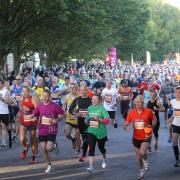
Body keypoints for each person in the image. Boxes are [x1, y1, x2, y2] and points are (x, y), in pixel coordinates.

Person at [123, 95, 156, 179]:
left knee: (142, 152)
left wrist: (153, 123)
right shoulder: (131, 113)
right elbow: (125, 124)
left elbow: (154, 120)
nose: (138, 103)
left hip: (146, 136)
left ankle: (145, 161)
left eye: (140, 102)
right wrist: (126, 127)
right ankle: (141, 171)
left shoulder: (148, 111)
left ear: (143, 103)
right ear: (134, 103)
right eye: (136, 102)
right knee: (138, 157)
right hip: (136, 137)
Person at [32, 89, 65, 173]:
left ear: (50, 97)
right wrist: (31, 116)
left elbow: (63, 114)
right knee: (44, 149)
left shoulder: (55, 105)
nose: (45, 98)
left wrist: (57, 120)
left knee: (49, 148)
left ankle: (53, 145)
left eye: (47, 96)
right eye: (43, 96)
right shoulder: (40, 105)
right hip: (42, 129)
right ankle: (49, 166)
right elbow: (34, 114)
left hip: (51, 129)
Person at [85, 94, 109, 172]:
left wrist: (99, 119)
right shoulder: (89, 108)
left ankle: (104, 158)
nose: (94, 100)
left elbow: (107, 120)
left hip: (101, 132)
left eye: (96, 99)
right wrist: (86, 121)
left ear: (99, 100)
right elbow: (87, 118)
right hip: (91, 131)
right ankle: (91, 167)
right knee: (91, 148)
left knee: (101, 148)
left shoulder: (102, 109)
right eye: (93, 99)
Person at [18, 86, 40, 164]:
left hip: (32, 121)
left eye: (26, 91)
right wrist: (20, 113)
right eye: (23, 91)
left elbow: (37, 111)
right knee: (22, 139)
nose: (24, 93)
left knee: (32, 140)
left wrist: (30, 111)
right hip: (24, 121)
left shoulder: (33, 99)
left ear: (29, 92)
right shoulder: (21, 99)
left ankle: (34, 156)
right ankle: (25, 148)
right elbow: (21, 109)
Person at [69, 85, 91, 162]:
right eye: (81, 90)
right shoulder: (77, 100)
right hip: (80, 122)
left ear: (87, 90)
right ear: (79, 91)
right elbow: (70, 110)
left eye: (84, 90)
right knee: (84, 138)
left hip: (89, 122)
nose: (83, 92)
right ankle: (85, 152)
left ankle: (83, 155)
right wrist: (76, 114)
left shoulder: (90, 100)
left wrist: (89, 114)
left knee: (86, 138)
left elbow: (96, 109)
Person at [63, 83, 81, 156]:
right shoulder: (67, 97)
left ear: (77, 89)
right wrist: (63, 112)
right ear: (69, 89)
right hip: (69, 118)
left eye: (74, 88)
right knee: (67, 134)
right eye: (71, 88)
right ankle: (72, 139)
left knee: (78, 136)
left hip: (78, 119)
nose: (73, 89)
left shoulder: (79, 97)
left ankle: (78, 150)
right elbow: (63, 106)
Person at [168, 86, 180, 167]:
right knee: (174, 142)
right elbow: (175, 112)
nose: (178, 94)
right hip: (175, 124)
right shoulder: (172, 101)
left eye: (179, 92)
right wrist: (170, 118)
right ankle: (177, 160)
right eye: (176, 92)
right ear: (174, 93)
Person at [0, 79, 12, 147]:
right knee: (1, 126)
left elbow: (9, 102)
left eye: (0, 83)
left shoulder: (6, 91)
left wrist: (2, 99)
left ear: (3, 84)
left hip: (4, 112)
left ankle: (10, 136)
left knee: (7, 127)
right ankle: (3, 140)